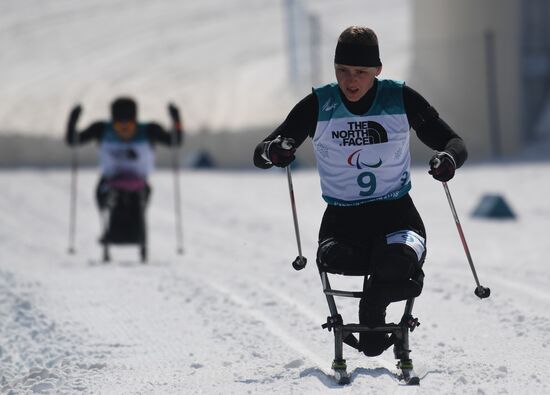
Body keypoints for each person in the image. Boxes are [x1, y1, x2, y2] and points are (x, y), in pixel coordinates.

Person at [253, 26, 467, 357]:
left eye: (361, 73)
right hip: (343, 223)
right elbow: (262, 153)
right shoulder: (318, 104)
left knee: (396, 259)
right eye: (343, 71)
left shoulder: (400, 98)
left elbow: (453, 142)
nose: (350, 81)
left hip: (397, 216)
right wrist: (276, 151)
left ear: (377, 70)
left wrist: (448, 159)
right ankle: (383, 312)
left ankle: (372, 320)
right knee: (340, 261)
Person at [65, 97, 183, 246]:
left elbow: (175, 140)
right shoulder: (105, 129)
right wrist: (176, 120)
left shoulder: (145, 130)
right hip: (115, 181)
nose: (124, 126)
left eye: (128, 122)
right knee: (109, 198)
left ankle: (124, 229)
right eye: (120, 122)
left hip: (132, 182)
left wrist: (176, 119)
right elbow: (175, 140)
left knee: (107, 199)